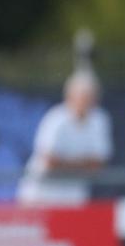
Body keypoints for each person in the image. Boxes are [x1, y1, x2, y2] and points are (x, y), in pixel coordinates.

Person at [18, 69, 112, 205]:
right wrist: (82, 164)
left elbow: (97, 164)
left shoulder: (100, 120)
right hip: (40, 194)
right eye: (83, 96)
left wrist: (64, 163)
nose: (87, 101)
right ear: (70, 96)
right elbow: (50, 161)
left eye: (91, 97)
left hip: (74, 195)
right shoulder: (56, 119)